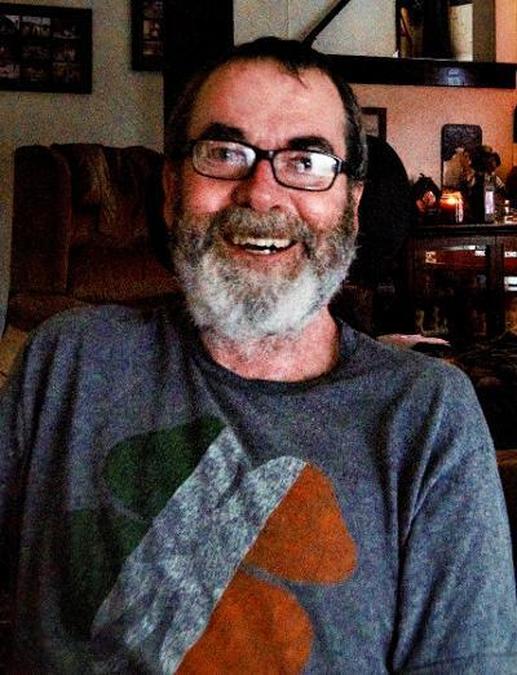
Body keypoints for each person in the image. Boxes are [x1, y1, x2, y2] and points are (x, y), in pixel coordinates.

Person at [1, 37, 516, 673]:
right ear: (171, 189)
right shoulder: (68, 360)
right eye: (224, 154)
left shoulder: (427, 413)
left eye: (306, 161)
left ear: (351, 207)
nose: (262, 194)